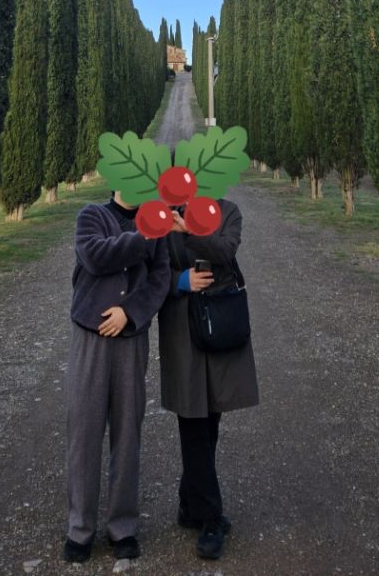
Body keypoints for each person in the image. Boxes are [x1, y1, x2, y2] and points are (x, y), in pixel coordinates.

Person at [64, 190, 170, 564]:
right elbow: (97, 257)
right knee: (84, 431)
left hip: (131, 338)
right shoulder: (90, 215)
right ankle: (79, 528)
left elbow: (160, 278)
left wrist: (130, 311)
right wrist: (147, 232)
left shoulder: (155, 224)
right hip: (90, 337)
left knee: (127, 432)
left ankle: (123, 527)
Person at [159, 195, 259, 561]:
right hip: (182, 331)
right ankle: (211, 518)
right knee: (193, 424)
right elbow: (150, 272)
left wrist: (189, 230)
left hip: (218, 327)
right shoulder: (164, 216)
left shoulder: (229, 211)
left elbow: (225, 250)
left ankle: (190, 504)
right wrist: (179, 281)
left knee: (210, 422)